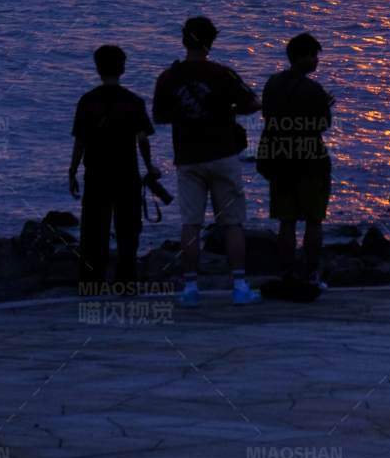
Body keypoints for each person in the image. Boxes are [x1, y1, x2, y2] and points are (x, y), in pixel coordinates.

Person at [152, 16, 261, 307]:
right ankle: (239, 285)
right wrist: (226, 111)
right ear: (211, 42)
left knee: (191, 223)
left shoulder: (168, 77)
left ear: (184, 39)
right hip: (223, 153)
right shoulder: (222, 74)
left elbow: (160, 116)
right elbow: (252, 103)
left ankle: (190, 288)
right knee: (233, 223)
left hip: (188, 156)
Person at [69, 45, 156, 292]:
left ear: (98, 68)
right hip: (127, 174)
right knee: (128, 231)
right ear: (123, 68)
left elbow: (80, 141)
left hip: (96, 174)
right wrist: (150, 166)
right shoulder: (133, 102)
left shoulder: (87, 101)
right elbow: (142, 139)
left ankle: (91, 282)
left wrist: (72, 171)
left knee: (93, 231)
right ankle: (126, 281)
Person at [257, 33, 333, 287]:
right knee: (314, 219)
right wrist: (325, 106)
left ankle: (287, 273)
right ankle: (310, 272)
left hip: (279, 159)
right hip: (310, 160)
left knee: (286, 220)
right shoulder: (313, 90)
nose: (316, 61)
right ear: (301, 57)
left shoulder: (272, 84)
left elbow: (268, 115)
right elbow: (323, 124)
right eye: (313, 55)